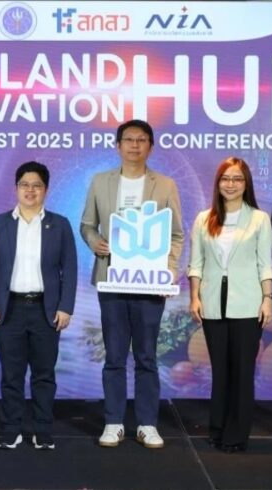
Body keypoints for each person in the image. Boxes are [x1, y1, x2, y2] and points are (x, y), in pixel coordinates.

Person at [80, 119, 184, 449]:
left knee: (146, 357)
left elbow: (176, 234)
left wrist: (168, 269)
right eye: (129, 140)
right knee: (114, 356)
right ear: (118, 145)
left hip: (150, 283)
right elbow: (87, 225)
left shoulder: (165, 184)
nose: (135, 145)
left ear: (150, 146)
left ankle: (147, 424)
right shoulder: (101, 181)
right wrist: (94, 242)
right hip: (112, 280)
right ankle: (113, 422)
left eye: (141, 140)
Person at [0, 161, 77, 450]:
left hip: (45, 310)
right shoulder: (0, 224)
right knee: (11, 374)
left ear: (46, 190)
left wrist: (66, 307)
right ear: (16, 188)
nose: (30, 190)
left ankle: (42, 429)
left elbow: (70, 269)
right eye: (24, 185)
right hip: (8, 309)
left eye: (37, 185)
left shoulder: (59, 224)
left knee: (44, 374)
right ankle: (11, 430)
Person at [188, 157, 272, 453]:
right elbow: (196, 263)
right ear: (218, 183)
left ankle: (236, 434)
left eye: (237, 179)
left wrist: (267, 299)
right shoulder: (204, 219)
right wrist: (195, 296)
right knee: (220, 370)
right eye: (226, 178)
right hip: (212, 304)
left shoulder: (259, 219)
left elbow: (265, 264)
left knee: (242, 371)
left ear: (246, 183)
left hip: (248, 304)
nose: (231, 184)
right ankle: (217, 428)